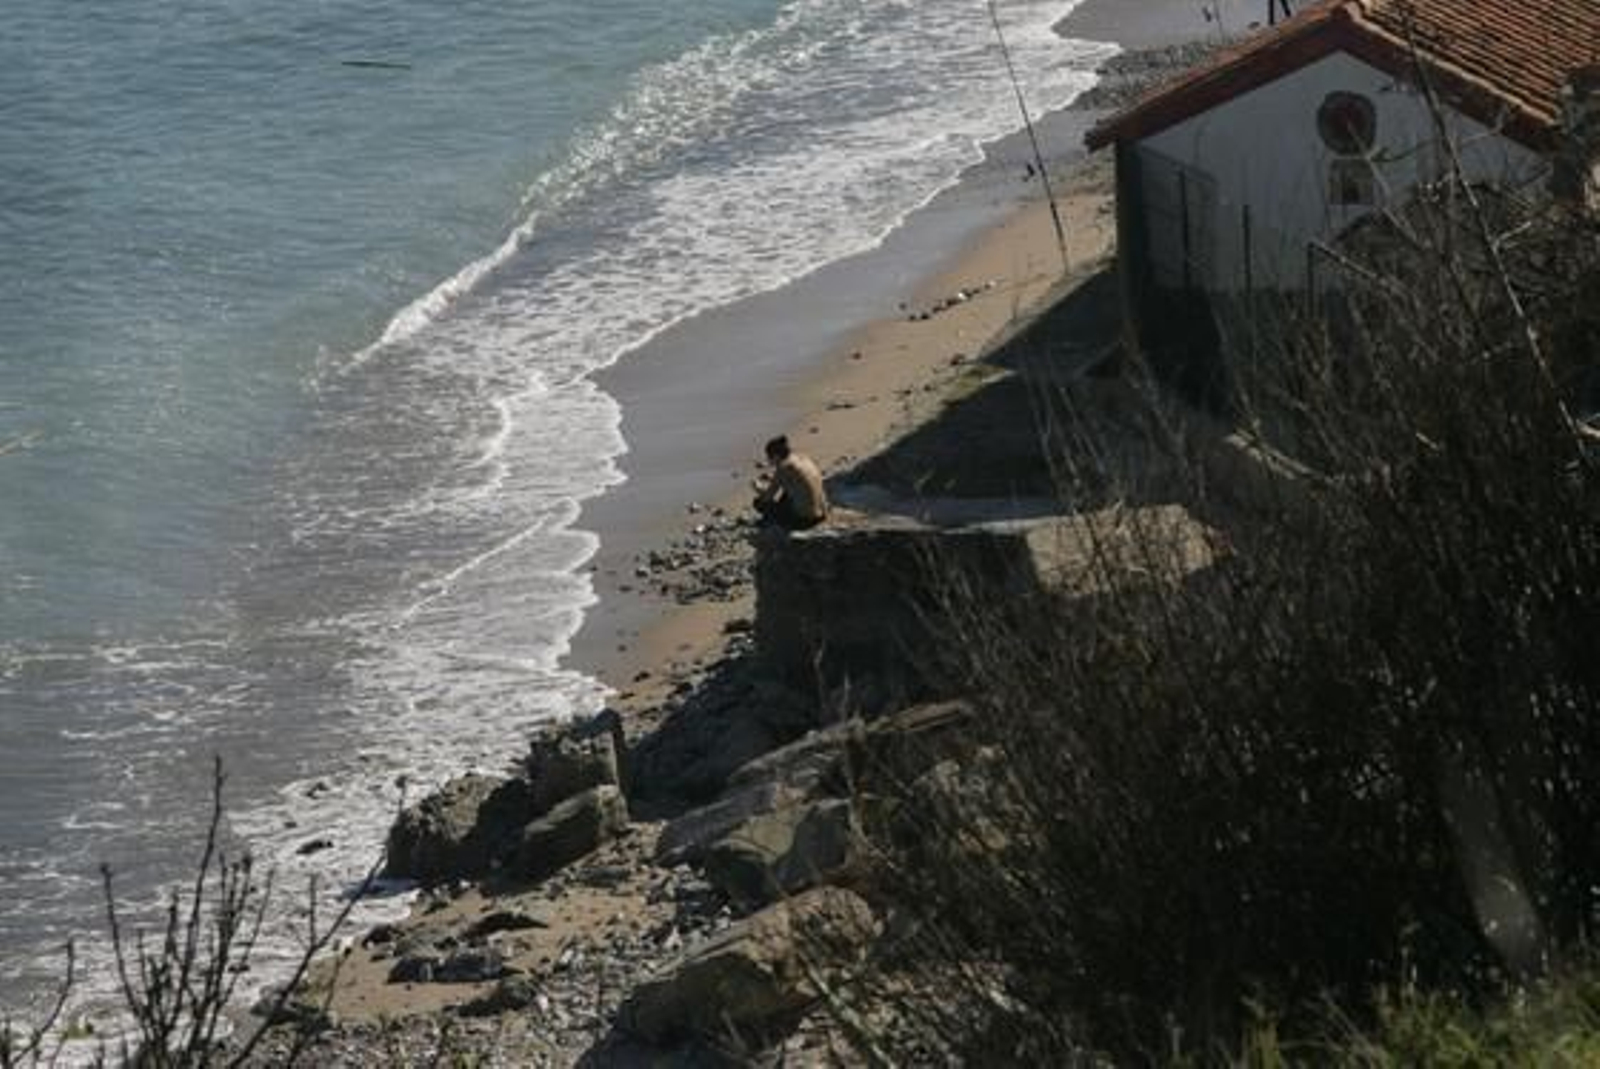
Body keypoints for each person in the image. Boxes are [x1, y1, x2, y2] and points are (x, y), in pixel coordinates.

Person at [752, 435, 829, 531]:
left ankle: (774, 523)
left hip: (805, 520)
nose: (769, 460)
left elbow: (768, 497)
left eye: (769, 457)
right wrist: (772, 478)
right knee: (786, 494)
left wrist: (757, 487)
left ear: (776, 456)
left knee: (758, 503)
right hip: (822, 514)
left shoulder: (783, 468)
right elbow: (796, 480)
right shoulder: (803, 458)